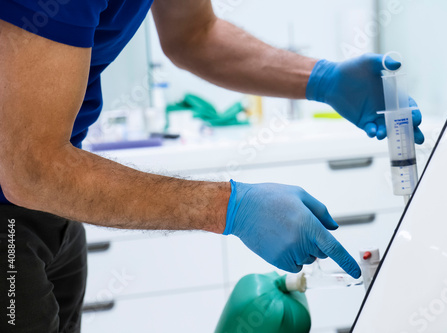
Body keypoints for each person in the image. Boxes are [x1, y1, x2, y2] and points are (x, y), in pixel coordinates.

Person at [0, 0, 424, 332]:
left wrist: (322, 78)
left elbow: (193, 34)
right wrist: (232, 207)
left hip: (52, 212)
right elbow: (31, 169)